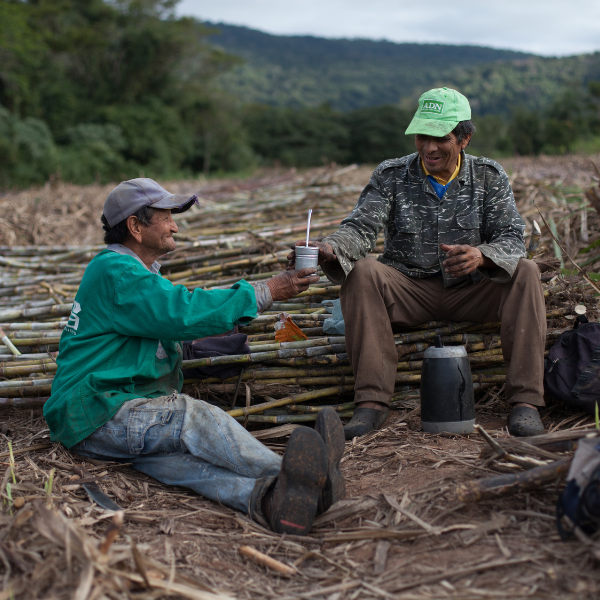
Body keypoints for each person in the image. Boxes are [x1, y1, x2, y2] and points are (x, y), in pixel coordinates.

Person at [44, 178, 346, 535]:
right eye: (166, 217)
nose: (174, 225)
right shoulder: (116, 271)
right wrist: (268, 290)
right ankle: (301, 477)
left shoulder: (134, 273)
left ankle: (270, 502)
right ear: (135, 227)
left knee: (182, 465)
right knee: (189, 415)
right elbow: (180, 312)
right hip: (97, 410)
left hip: (94, 417)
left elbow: (159, 328)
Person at [289, 87, 546, 439]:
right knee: (363, 271)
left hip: (471, 290)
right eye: (423, 136)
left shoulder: (489, 177)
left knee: (526, 272)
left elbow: (512, 237)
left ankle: (526, 403)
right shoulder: (391, 175)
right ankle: (372, 403)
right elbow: (361, 227)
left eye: (440, 138)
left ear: (464, 139)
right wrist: (330, 248)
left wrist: (483, 256)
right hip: (408, 289)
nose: (429, 148)